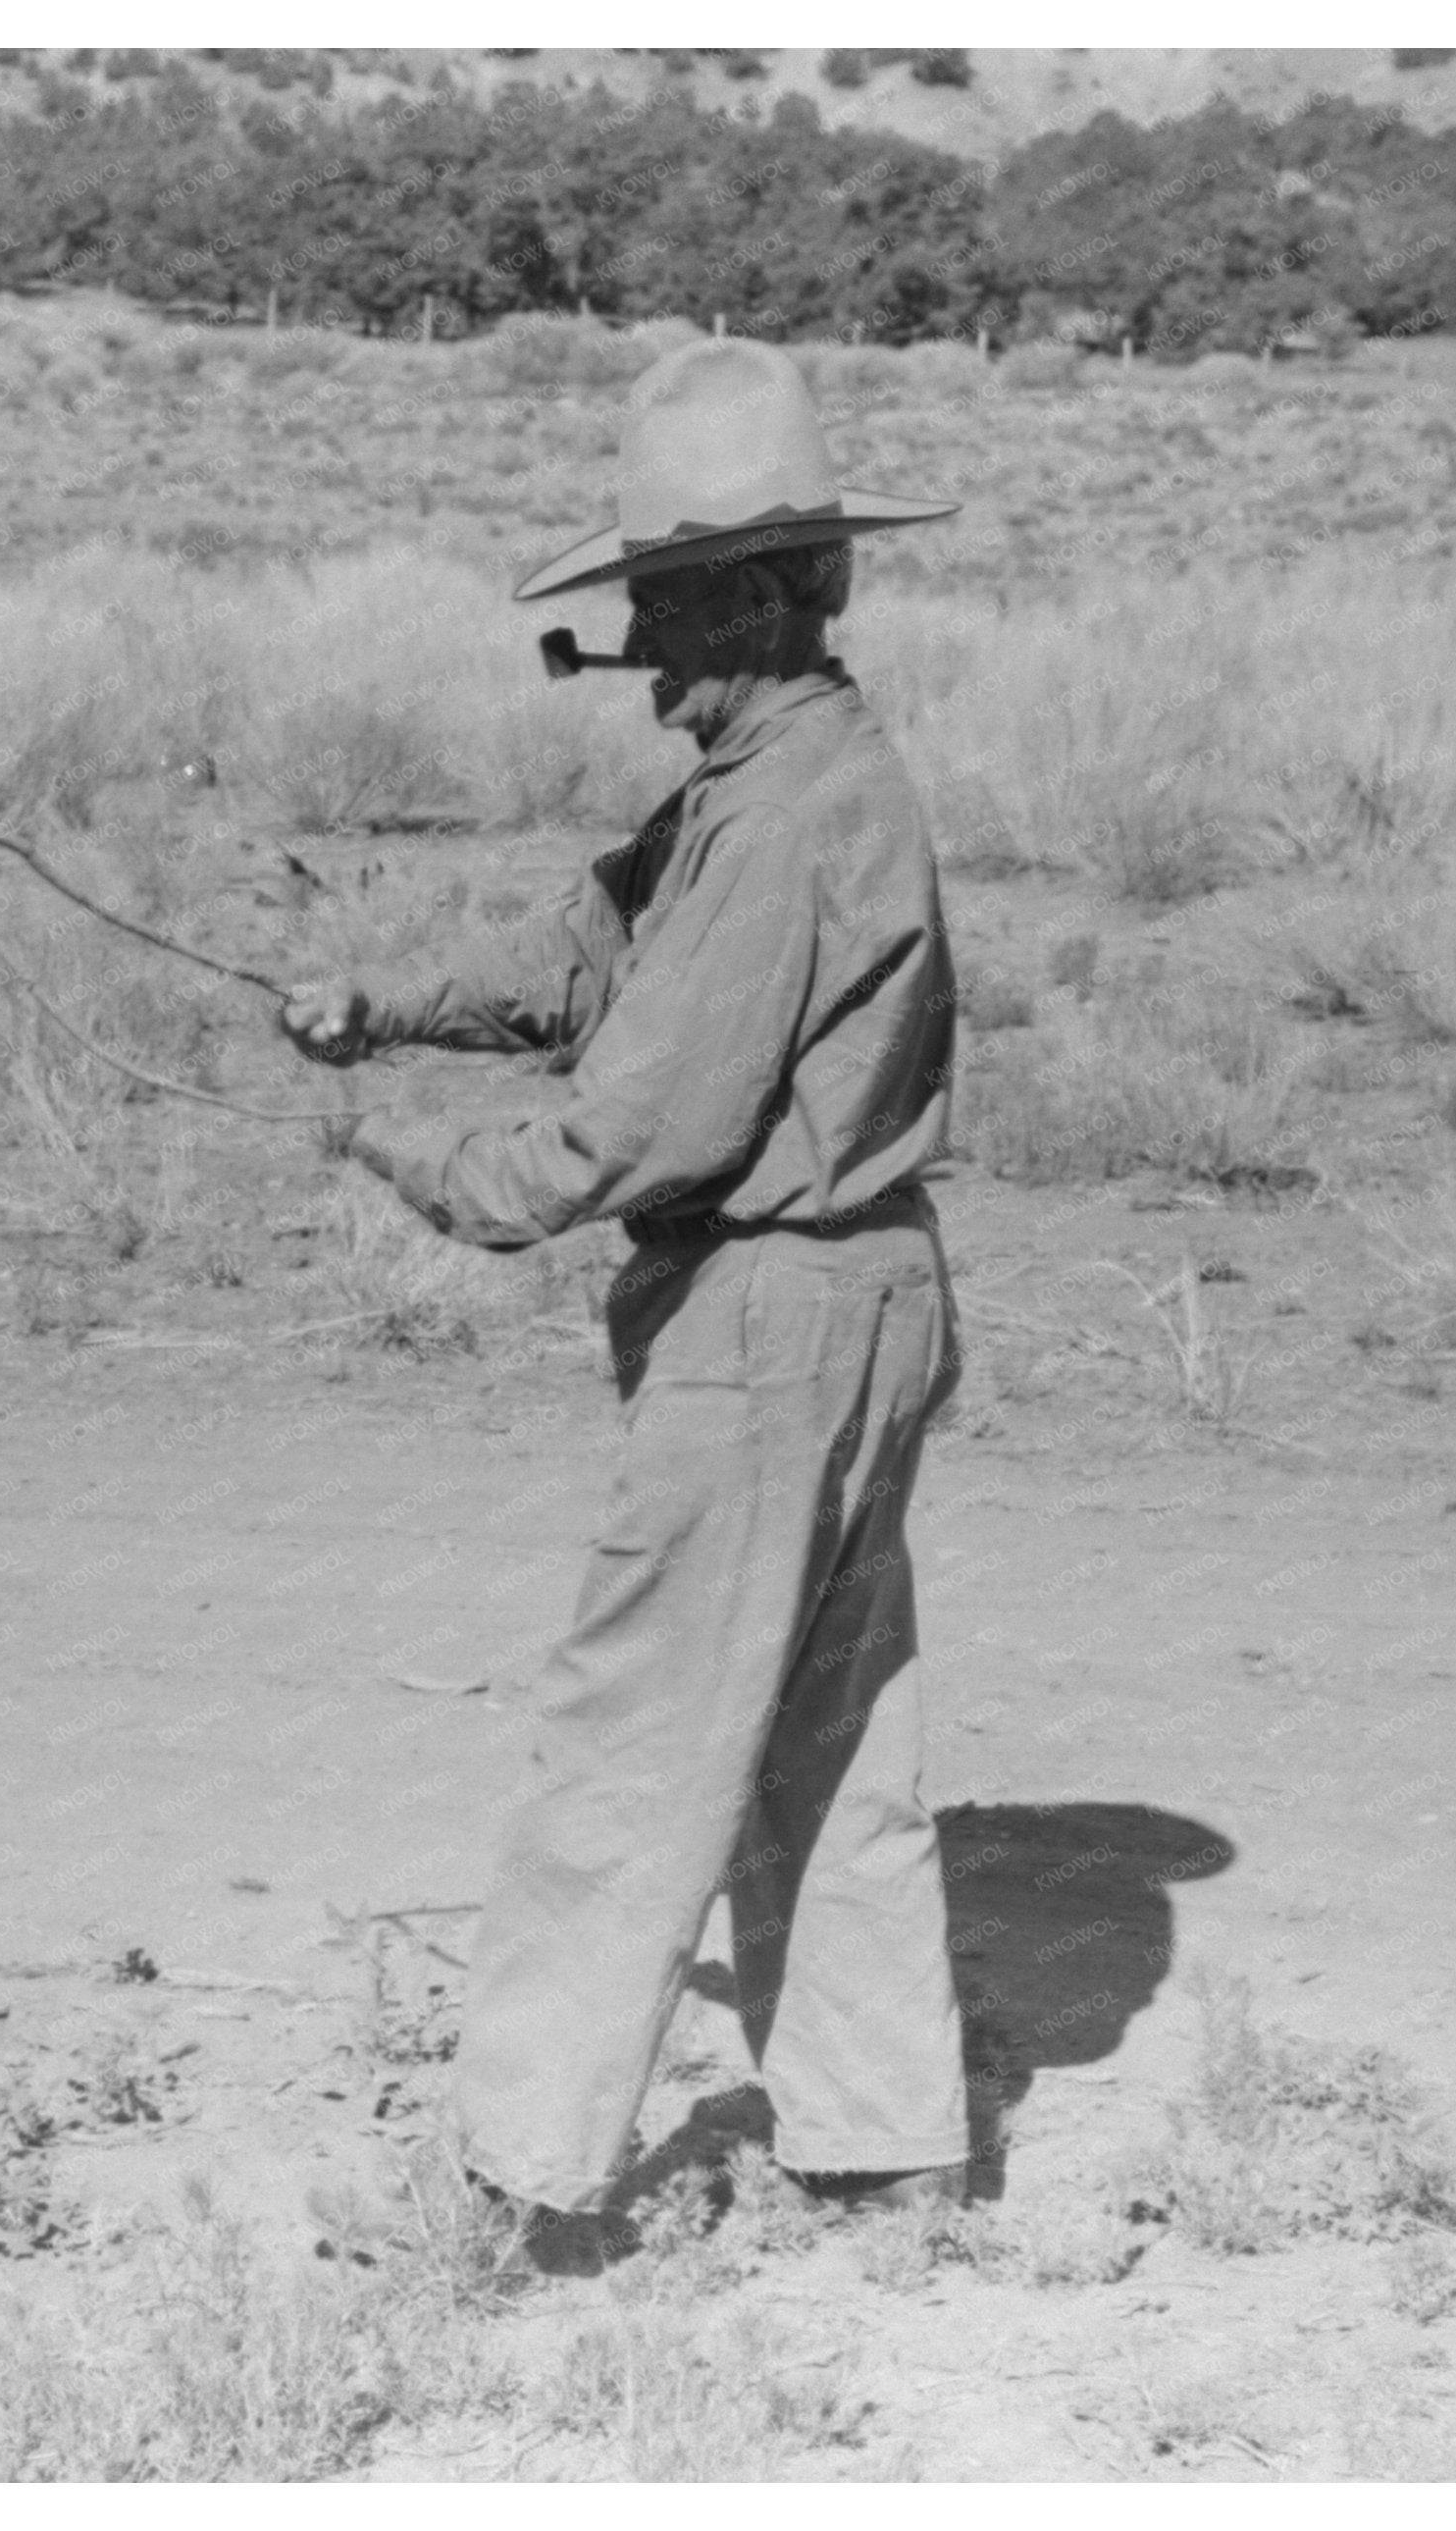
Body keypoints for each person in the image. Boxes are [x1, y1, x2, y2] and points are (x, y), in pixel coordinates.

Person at [280, 337, 969, 2268]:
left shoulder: (782, 816)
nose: (645, 641)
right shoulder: (774, 779)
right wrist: (388, 1004)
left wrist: (425, 1166)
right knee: (830, 1743)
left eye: (679, 597)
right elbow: (589, 942)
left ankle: (518, 2186)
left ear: (793, 589)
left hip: (771, 1318)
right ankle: (885, 2154)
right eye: (643, 597)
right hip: (862, 1300)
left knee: (635, 1740)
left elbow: (640, 1134)